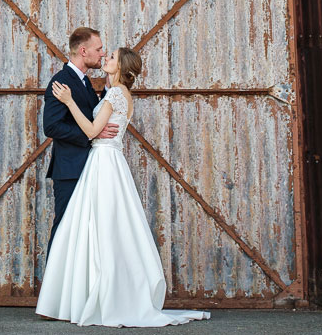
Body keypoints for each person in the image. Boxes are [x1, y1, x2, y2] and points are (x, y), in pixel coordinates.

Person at [36, 46, 210, 327]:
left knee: (97, 228)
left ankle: (91, 295)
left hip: (103, 161)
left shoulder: (115, 95)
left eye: (112, 57)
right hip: (108, 161)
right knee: (104, 228)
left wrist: (69, 102)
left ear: (121, 67)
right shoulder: (116, 94)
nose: (106, 58)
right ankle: (95, 293)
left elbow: (93, 132)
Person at [42, 27, 120, 253]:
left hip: (89, 167)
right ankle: (53, 287)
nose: (103, 54)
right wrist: (90, 135)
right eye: (99, 49)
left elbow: (92, 114)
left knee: (87, 231)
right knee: (65, 228)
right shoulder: (61, 82)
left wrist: (106, 89)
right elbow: (52, 126)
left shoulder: (85, 82)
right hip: (70, 169)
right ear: (83, 51)